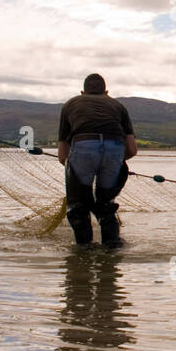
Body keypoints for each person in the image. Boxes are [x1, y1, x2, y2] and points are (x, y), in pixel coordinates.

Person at [57, 73, 137, 247]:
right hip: (115, 149)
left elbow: (63, 154)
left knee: (78, 206)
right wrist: (115, 161)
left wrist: (74, 172)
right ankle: (111, 246)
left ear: (82, 92)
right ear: (106, 92)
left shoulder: (70, 104)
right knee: (106, 203)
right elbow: (132, 149)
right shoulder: (119, 106)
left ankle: (84, 249)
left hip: (83, 146)